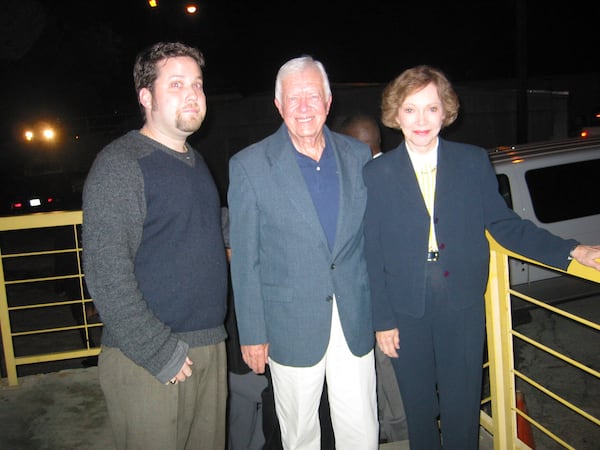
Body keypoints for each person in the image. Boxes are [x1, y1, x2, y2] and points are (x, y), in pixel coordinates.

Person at [362, 64, 600, 450]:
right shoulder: (376, 174)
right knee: (419, 410)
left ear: (446, 111)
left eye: (431, 108)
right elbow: (371, 251)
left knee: (462, 406)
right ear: (394, 115)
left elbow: (506, 225)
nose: (421, 119)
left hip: (461, 304)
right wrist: (383, 320)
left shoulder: (471, 161)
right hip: (405, 309)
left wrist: (572, 249)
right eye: (410, 109)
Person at [82, 42, 228, 450]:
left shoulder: (195, 162)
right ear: (146, 97)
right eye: (177, 83)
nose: (193, 94)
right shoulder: (122, 164)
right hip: (149, 358)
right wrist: (157, 350)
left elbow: (209, 226)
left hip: (207, 348)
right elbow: (106, 273)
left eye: (197, 84)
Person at [228, 55, 379, 450]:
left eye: (313, 96)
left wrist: (384, 314)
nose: (304, 107)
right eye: (293, 98)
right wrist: (253, 333)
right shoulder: (249, 166)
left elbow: (369, 243)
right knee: (299, 435)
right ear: (278, 105)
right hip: (288, 324)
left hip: (353, 318)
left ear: (329, 102)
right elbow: (245, 261)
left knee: (362, 428)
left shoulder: (357, 157)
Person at [337, 112, 409, 444]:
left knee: (388, 375)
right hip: (392, 296)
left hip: (383, 297)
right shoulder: (399, 170)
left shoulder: (368, 177)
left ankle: (396, 433)